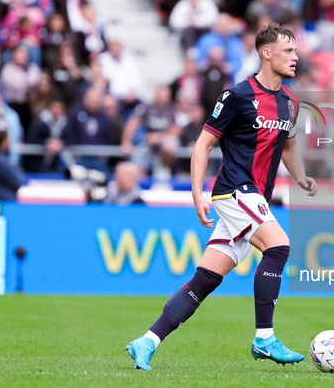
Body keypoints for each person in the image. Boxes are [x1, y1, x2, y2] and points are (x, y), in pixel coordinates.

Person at [125, 23, 317, 370]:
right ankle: (265, 338)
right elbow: (204, 143)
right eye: (288, 51)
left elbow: (288, 145)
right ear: (266, 52)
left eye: (296, 51)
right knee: (279, 246)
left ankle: (147, 341)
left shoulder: (291, 102)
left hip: (256, 197)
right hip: (234, 190)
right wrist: (197, 194)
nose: (296, 57)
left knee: (206, 279)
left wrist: (301, 178)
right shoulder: (237, 96)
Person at [0, 123, 23, 201]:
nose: (10, 141)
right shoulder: (1, 161)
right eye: (7, 138)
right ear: (3, 141)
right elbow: (17, 181)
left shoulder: (4, 158)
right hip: (4, 201)